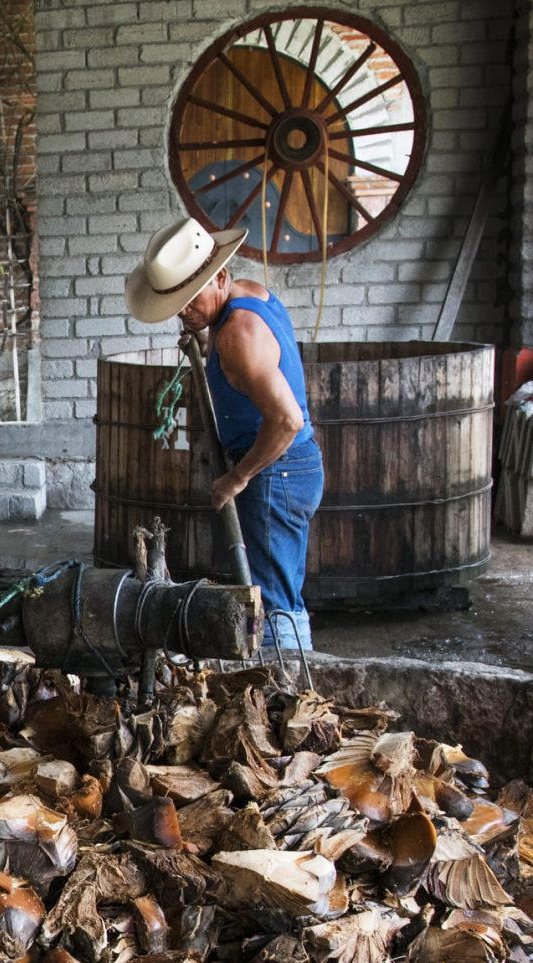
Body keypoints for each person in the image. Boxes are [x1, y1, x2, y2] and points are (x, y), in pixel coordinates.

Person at [124, 216, 325, 650]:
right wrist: (204, 336)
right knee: (274, 588)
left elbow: (287, 420)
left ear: (220, 275)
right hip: (290, 466)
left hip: (277, 472)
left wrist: (238, 477)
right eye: (177, 302)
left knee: (273, 601)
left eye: (190, 300)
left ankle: (287, 683)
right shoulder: (249, 294)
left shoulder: (239, 335)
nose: (183, 311)